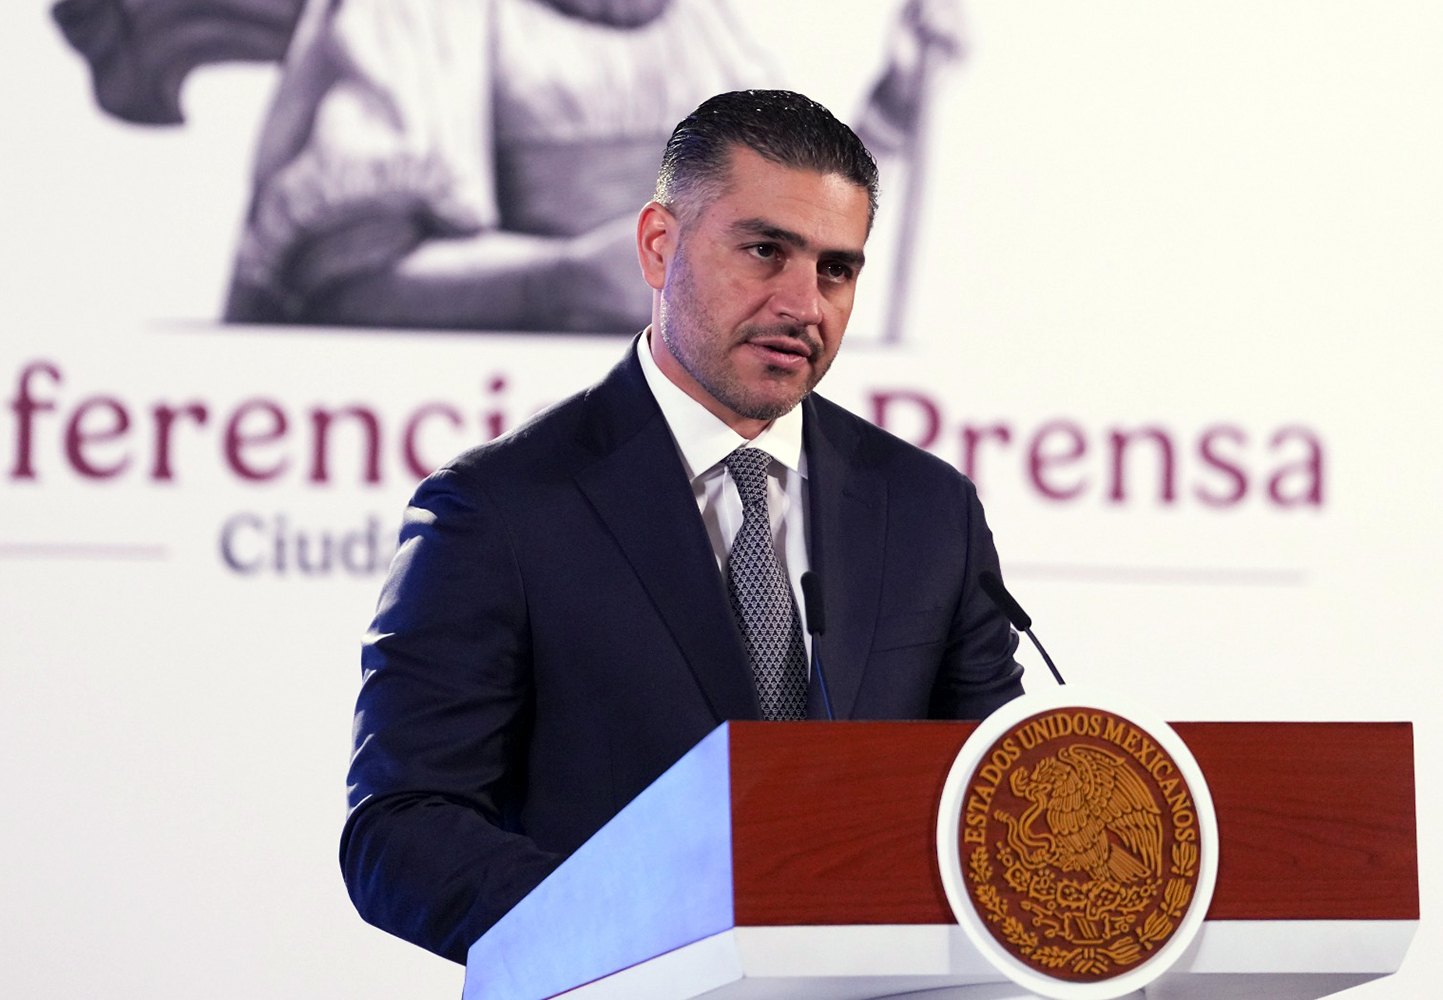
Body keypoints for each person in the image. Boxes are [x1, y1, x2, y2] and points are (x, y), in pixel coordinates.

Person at [342, 90, 1024, 964]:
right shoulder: (499, 511)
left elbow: (995, 799)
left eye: (836, 270)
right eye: (765, 251)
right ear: (659, 245)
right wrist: (647, 930)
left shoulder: (929, 510)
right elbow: (401, 829)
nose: (802, 303)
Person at [221, 0, 963, 334]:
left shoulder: (703, 28)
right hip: (471, 442)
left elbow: (778, 229)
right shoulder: (421, 14)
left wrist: (894, 107)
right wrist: (565, 280)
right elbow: (343, 281)